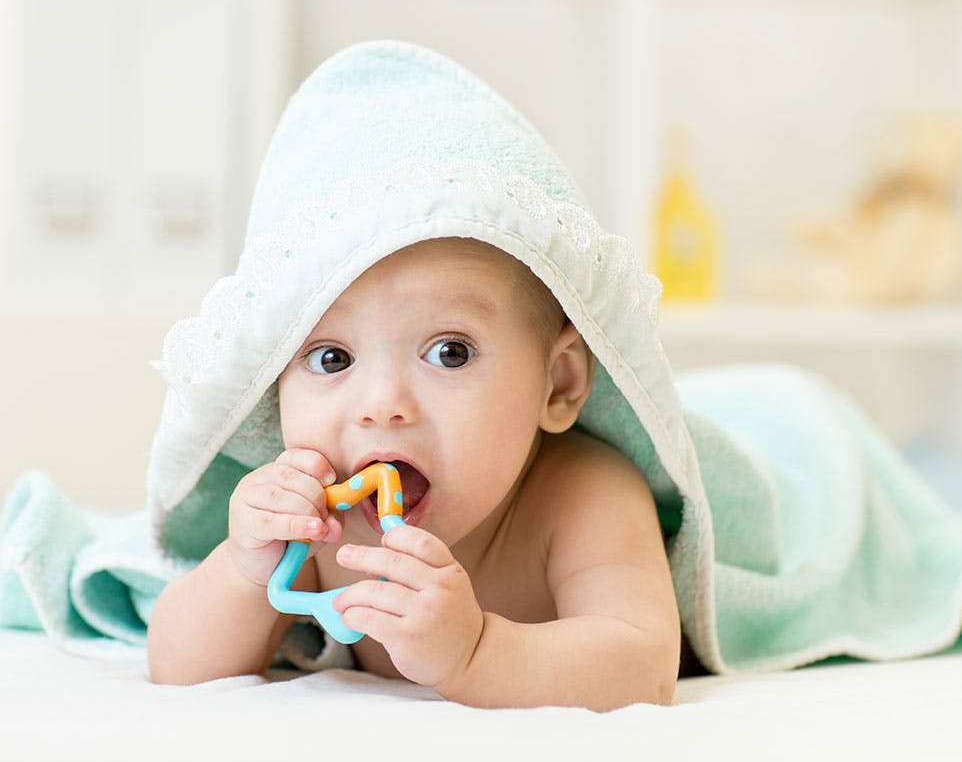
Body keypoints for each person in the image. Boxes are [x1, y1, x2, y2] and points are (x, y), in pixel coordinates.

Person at [147, 236, 681, 710]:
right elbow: (178, 669)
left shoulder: (585, 494)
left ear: (558, 381)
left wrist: (477, 653)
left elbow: (647, 667)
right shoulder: (319, 528)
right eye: (332, 358)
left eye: (450, 353)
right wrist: (244, 572)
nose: (381, 405)